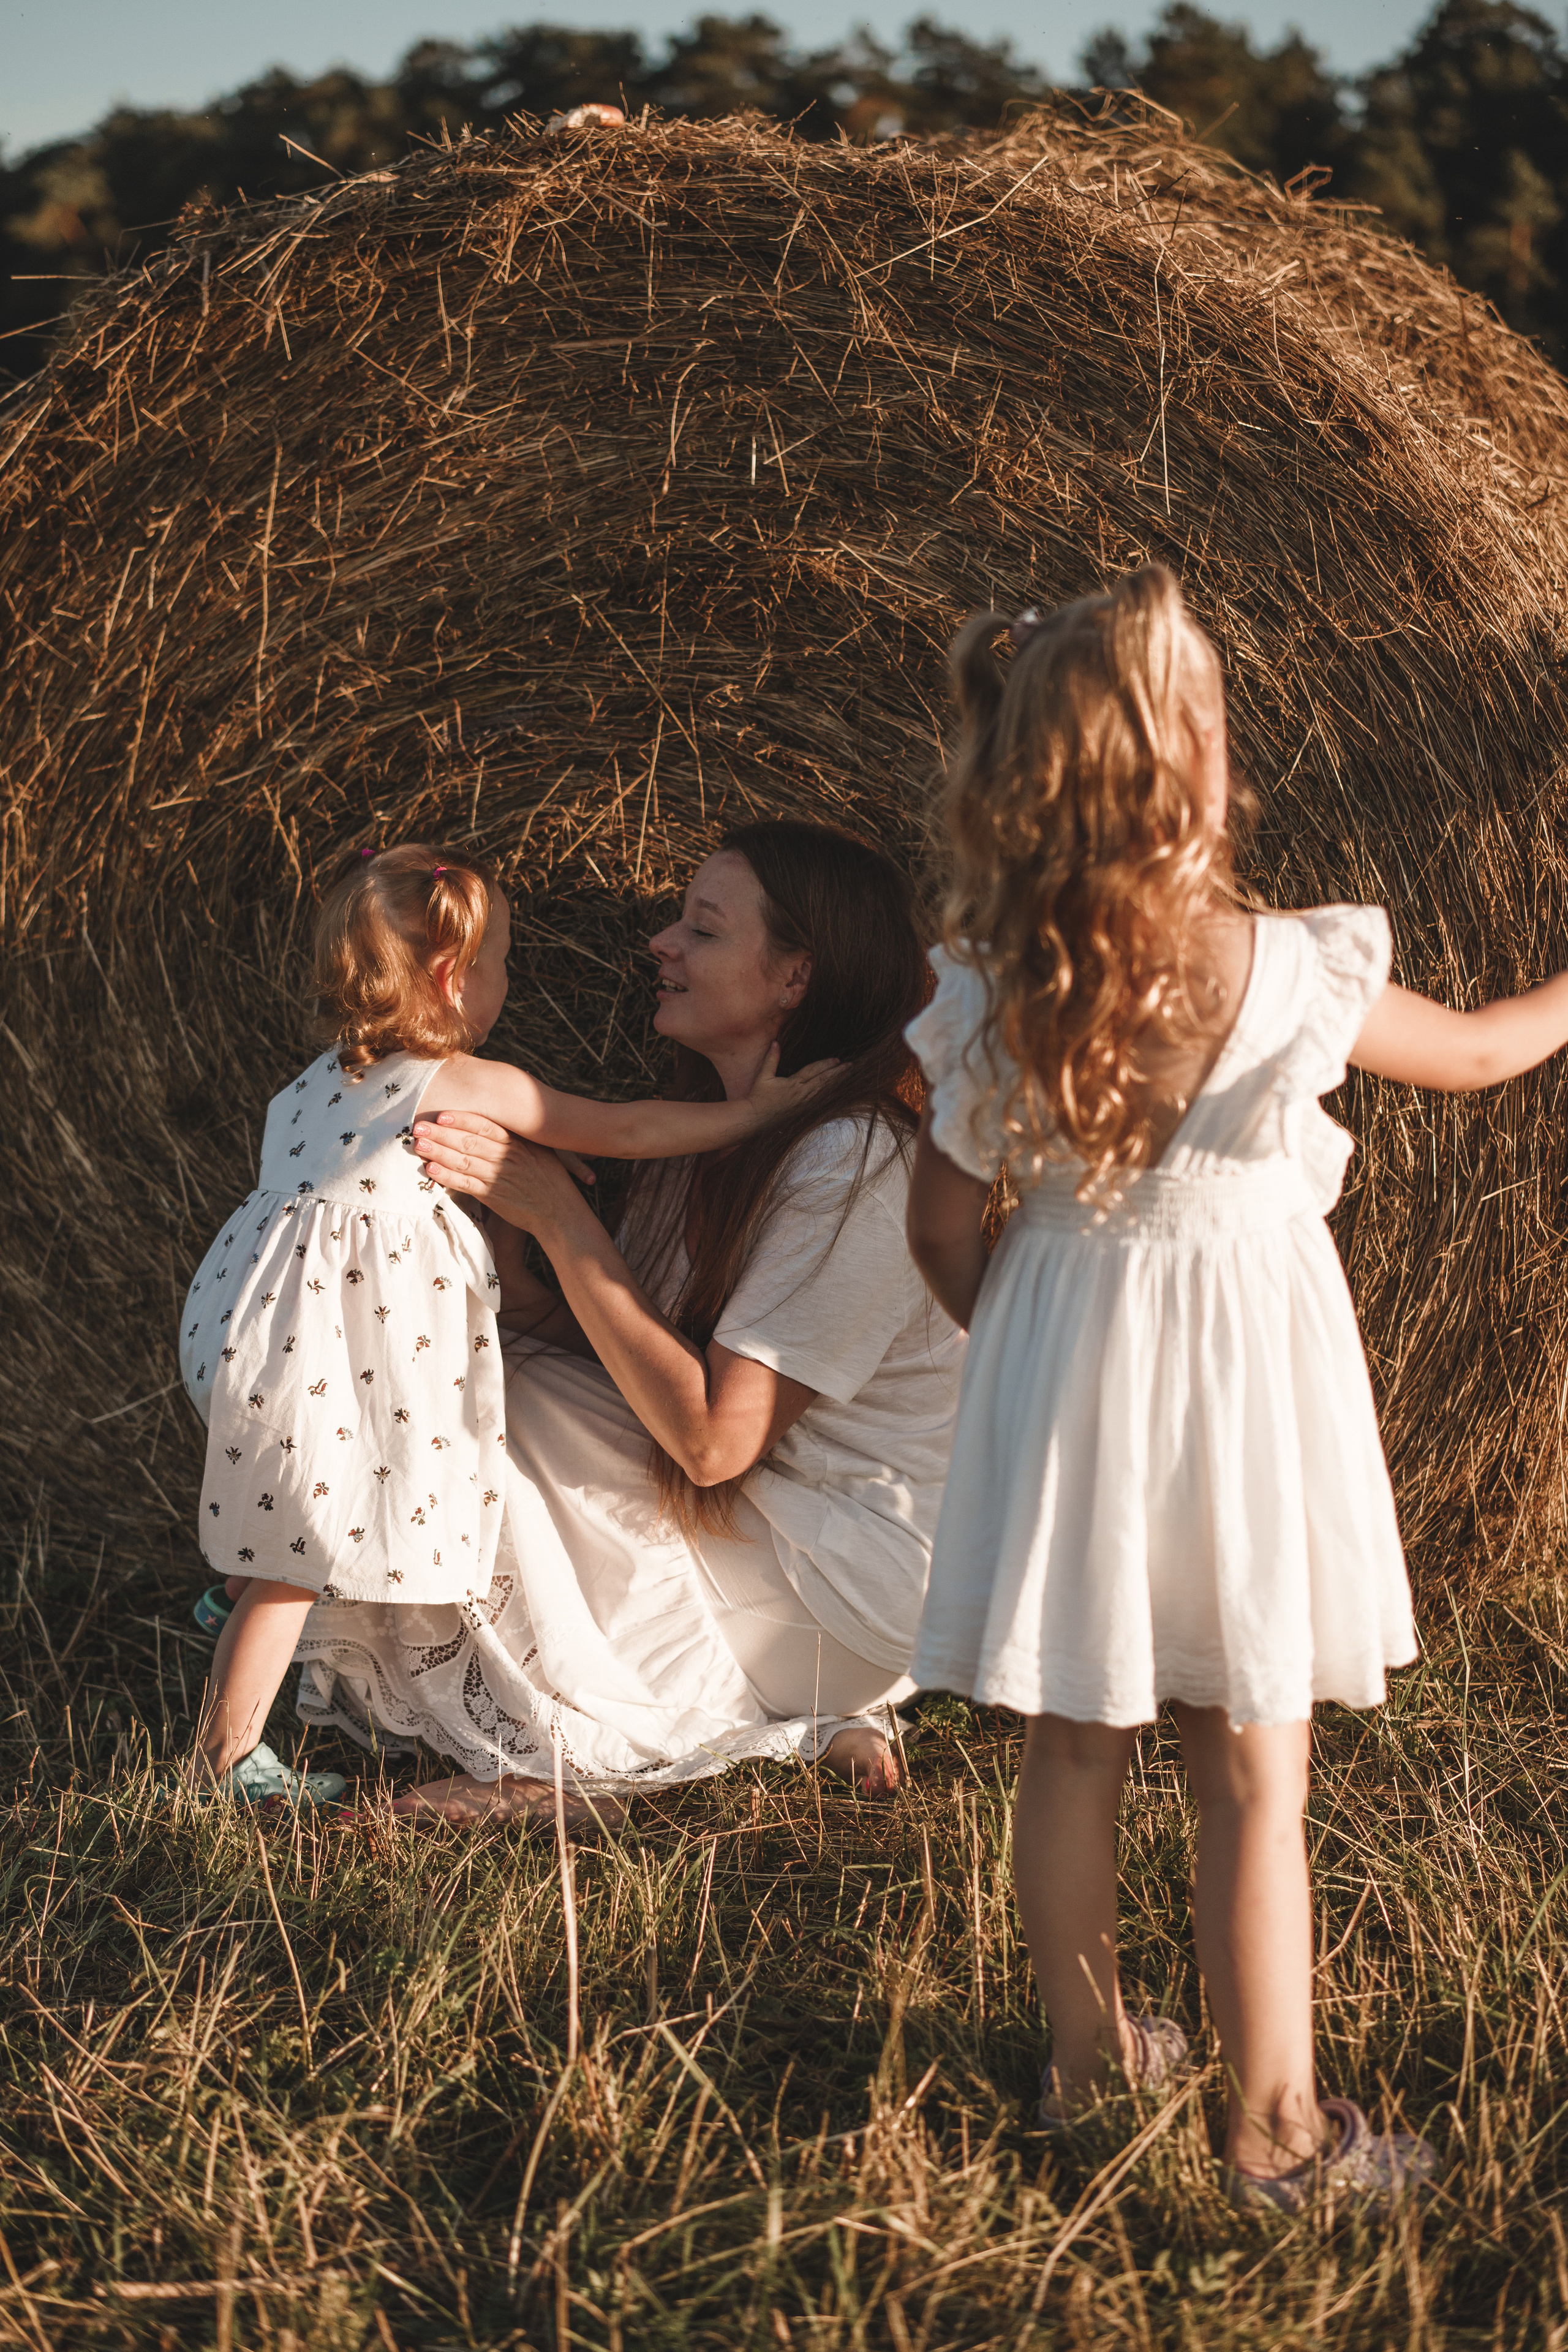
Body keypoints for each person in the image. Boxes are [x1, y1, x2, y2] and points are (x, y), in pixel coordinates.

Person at [903, 564, 1568, 2212]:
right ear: (1193, 750)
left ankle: (1079, 2070)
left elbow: (936, 1218)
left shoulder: (988, 987)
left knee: (1075, 1743)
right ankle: (1275, 2131)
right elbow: (1485, 1052)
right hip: (1250, 1387)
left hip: (1068, 1350)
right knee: (1250, 1770)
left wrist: (1027, 1348)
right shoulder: (1291, 969)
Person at [295, 821, 965, 1820]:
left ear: (795, 978)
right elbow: (633, 1366)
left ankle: (582, 1762)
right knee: (443, 1366)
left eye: (702, 929)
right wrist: (515, 1274)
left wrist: (566, 1224)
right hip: (753, 1536)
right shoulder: (698, 1136)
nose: (660, 943)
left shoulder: (854, 1165)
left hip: (837, 1581)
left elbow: (709, 1442)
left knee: (453, 1395)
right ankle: (766, 1719)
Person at [175, 842, 827, 1807]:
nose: (508, 985)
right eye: (505, 964)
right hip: (343, 1358)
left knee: (295, 1515)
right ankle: (221, 1765)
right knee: (297, 1563)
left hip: (251, 1338)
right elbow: (627, 1128)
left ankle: (229, 1594)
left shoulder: (306, 1086)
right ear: (452, 978)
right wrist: (759, 1116)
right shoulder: (458, 1080)